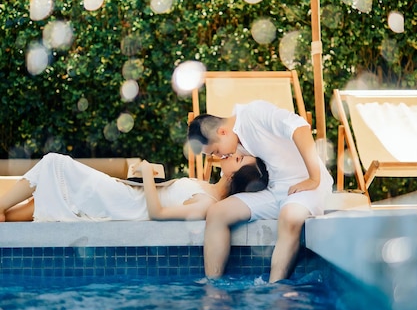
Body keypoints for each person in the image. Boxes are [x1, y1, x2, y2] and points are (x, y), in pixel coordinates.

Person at [187, 100, 333, 283]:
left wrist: (313, 178)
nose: (219, 157)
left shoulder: (254, 114)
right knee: (217, 213)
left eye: (216, 151)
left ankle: (274, 288)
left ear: (222, 132)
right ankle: (213, 287)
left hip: (304, 185)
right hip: (273, 190)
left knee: (289, 217)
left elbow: (300, 127)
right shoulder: (234, 144)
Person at [0, 152, 268, 223]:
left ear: (236, 175)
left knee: (54, 163)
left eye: (240, 158)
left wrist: (147, 174)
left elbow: (157, 213)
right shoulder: (205, 185)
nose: (235, 153)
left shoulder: (207, 204)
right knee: (42, 200)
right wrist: (150, 176)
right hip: (126, 193)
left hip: (121, 203)